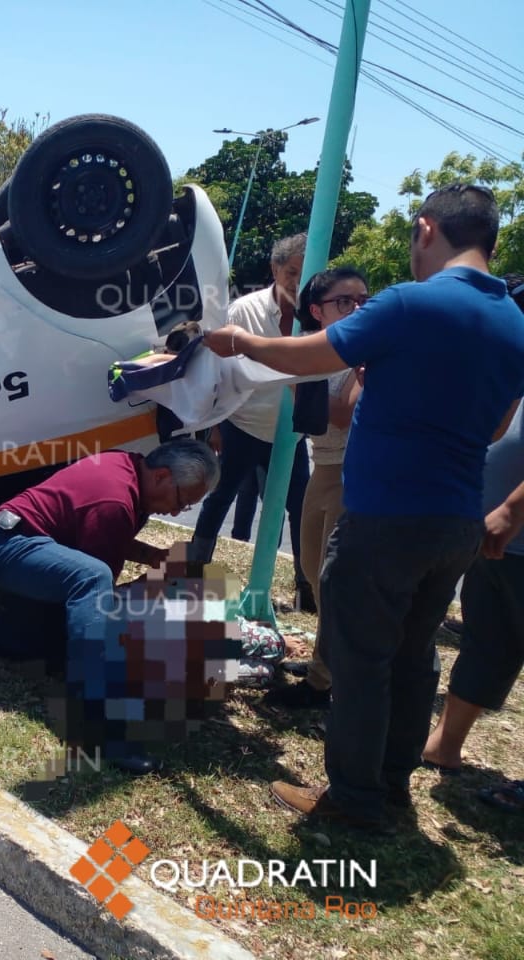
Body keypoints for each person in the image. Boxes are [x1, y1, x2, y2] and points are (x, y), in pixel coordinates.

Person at [204, 184, 524, 831]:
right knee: (413, 659)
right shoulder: (517, 324)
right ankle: (392, 786)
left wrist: (239, 341)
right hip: (458, 520)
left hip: (385, 517)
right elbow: (494, 430)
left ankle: (353, 799)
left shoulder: (410, 303)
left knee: (360, 661)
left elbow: (312, 354)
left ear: (426, 228)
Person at [0, 438, 220, 774]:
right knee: (93, 585)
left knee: (47, 644)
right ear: (162, 476)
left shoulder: (127, 468)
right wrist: (149, 588)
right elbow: (99, 597)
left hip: (20, 543)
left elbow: (93, 534)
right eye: (182, 501)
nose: (177, 512)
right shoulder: (116, 500)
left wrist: (149, 556)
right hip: (5, 549)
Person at [421, 275, 524, 801]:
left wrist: (511, 508)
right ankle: (445, 744)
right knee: (488, 641)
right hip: (493, 540)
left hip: (508, 527)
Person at [187, 233, 315, 610]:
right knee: (218, 498)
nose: (297, 281)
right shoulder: (244, 311)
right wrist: (213, 425)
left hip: (290, 434)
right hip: (241, 424)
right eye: (291, 271)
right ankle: (194, 573)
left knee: (300, 509)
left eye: (305, 273)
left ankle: (305, 588)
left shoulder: (316, 314)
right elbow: (216, 371)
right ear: (276, 269)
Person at [266, 266, 370, 709]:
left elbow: (344, 414)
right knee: (311, 569)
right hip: (322, 465)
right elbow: (305, 407)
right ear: (317, 310)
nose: (357, 309)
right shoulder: (317, 351)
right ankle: (322, 670)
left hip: (352, 471)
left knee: (334, 582)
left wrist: (294, 373)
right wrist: (296, 370)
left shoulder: (363, 355)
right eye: (344, 302)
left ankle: (325, 682)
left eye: (363, 300)